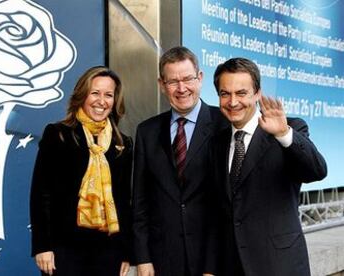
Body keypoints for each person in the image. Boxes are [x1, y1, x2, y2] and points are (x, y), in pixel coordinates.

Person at [208, 57, 327, 275]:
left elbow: (317, 171)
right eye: (225, 94)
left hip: (279, 265)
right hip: (231, 266)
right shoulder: (217, 142)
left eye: (241, 93)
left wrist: (284, 134)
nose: (233, 102)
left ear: (257, 94)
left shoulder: (289, 129)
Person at [132, 46, 227, 276]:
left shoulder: (224, 124)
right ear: (161, 84)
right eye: (173, 81)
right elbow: (140, 201)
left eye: (187, 79)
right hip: (163, 259)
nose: (181, 88)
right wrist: (142, 258)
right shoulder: (147, 131)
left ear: (200, 78)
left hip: (213, 259)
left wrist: (212, 266)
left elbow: (229, 205)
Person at [30, 66, 133, 276]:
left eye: (108, 95)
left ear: (115, 101)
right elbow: (41, 194)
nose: (101, 101)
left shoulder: (123, 144)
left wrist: (127, 252)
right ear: (82, 95)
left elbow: (124, 200)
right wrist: (43, 246)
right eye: (95, 93)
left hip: (109, 251)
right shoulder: (58, 135)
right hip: (64, 250)